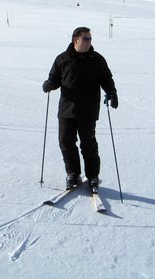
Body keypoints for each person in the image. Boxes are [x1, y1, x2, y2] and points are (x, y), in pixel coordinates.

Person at [42, 27, 118, 191]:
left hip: (88, 109)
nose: (89, 41)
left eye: (90, 38)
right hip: (67, 109)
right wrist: (49, 85)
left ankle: (92, 177)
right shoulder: (62, 59)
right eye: (86, 38)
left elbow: (107, 78)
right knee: (66, 142)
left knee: (88, 144)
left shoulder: (97, 59)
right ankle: (73, 174)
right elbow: (54, 79)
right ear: (75, 40)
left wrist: (112, 93)